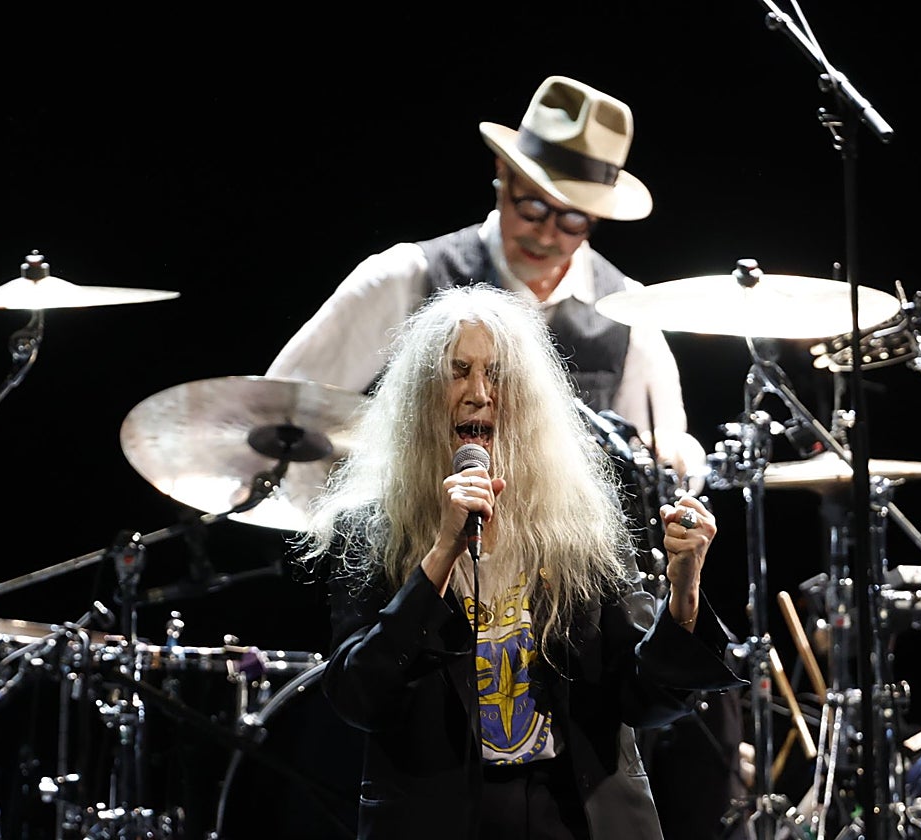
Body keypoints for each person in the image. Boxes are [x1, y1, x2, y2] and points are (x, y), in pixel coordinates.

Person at [295, 283, 744, 839]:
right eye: (457, 371)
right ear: (421, 396)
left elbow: (647, 699)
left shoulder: (579, 521)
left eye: (498, 373)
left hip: (575, 814)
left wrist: (684, 590)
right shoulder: (369, 529)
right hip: (438, 820)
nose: (478, 393)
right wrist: (440, 554)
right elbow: (360, 698)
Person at [265, 73, 705, 485]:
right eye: (532, 207)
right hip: (417, 550)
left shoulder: (627, 309)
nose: (547, 234)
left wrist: (678, 453)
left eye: (572, 219)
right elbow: (282, 415)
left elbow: (656, 458)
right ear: (502, 174)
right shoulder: (407, 276)